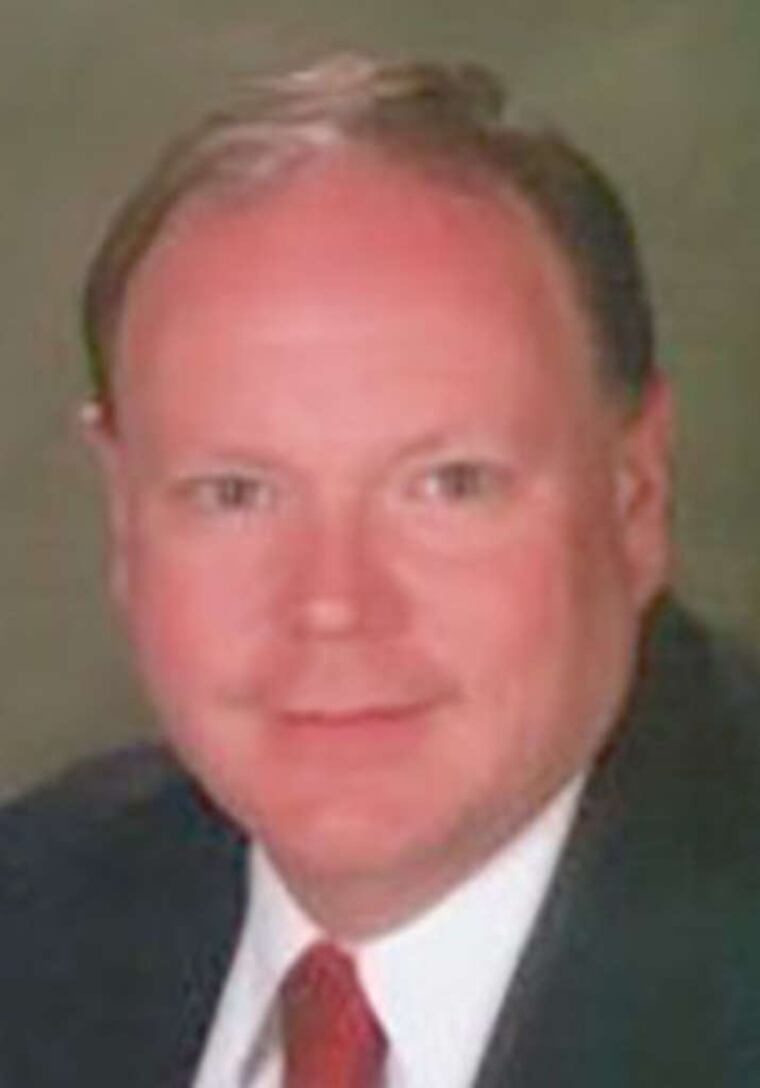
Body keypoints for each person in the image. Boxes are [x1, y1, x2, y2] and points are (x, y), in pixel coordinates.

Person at [0, 53, 759, 1087]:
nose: (333, 605)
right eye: (234, 493)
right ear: (123, 511)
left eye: (448, 484)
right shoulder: (33, 914)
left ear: (633, 498)